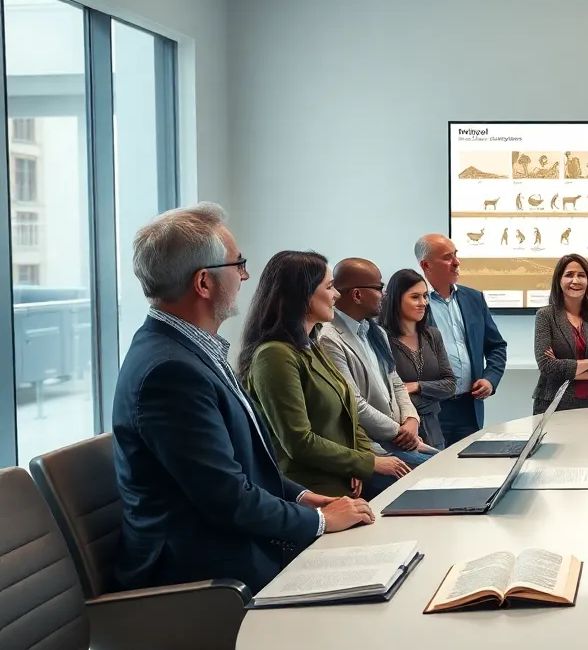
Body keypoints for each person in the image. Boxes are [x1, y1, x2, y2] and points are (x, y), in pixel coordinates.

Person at [111, 205, 372, 594]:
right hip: (205, 579)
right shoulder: (170, 372)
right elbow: (228, 499)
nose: (245, 276)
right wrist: (320, 521)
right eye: (239, 265)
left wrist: (301, 496)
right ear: (204, 282)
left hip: (233, 548)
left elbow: (242, 465)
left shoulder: (190, 350)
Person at [240, 251, 412, 501]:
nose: (337, 295)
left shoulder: (312, 344)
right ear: (303, 293)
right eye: (330, 286)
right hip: (313, 491)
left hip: (343, 480)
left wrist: (359, 463)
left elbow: (350, 414)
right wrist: (367, 462)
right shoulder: (274, 355)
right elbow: (299, 441)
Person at [316, 258, 437, 469]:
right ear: (357, 295)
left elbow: (396, 382)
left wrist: (411, 420)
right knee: (436, 476)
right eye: (380, 288)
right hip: (373, 448)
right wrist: (399, 432)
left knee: (449, 465)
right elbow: (353, 403)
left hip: (400, 439)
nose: (385, 295)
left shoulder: (376, 331)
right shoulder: (329, 338)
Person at [415, 233, 508, 447]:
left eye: (455, 255)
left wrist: (490, 379)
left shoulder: (473, 298)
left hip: (470, 406)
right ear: (426, 265)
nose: (457, 262)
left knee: (469, 470)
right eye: (448, 258)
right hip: (431, 409)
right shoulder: (412, 302)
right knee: (434, 472)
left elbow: (496, 346)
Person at [533, 254, 588, 413]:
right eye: (569, 275)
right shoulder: (545, 316)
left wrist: (566, 371)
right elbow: (547, 366)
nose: (575, 280)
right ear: (559, 280)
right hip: (555, 405)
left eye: (581, 275)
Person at [379, 268, 456, 450]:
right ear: (396, 299)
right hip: (400, 431)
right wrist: (430, 393)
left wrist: (416, 386)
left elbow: (450, 385)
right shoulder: (380, 337)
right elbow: (385, 391)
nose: (423, 303)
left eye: (425, 296)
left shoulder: (432, 335)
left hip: (433, 428)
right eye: (415, 297)